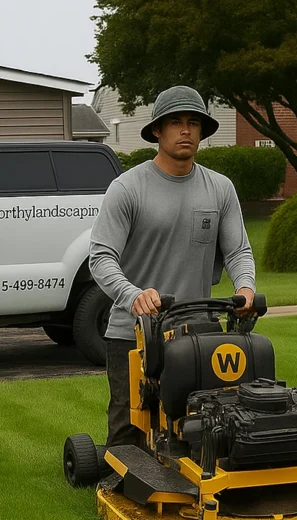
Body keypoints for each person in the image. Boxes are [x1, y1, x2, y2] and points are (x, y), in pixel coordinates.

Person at [89, 85, 257, 448]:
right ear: (157, 132)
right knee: (128, 435)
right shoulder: (128, 189)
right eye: (176, 122)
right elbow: (101, 258)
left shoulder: (220, 189)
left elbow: (238, 251)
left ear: (202, 131)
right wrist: (133, 295)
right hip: (135, 335)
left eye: (193, 123)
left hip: (198, 330)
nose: (186, 130)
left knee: (205, 424)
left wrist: (245, 288)